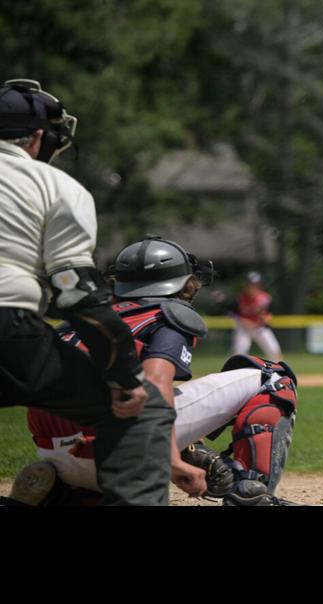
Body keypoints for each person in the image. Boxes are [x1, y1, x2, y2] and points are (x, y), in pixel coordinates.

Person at [8, 235, 299, 507]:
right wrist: (172, 458)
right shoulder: (164, 314)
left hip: (56, 453)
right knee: (272, 376)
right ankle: (251, 493)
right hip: (119, 450)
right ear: (186, 282)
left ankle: (68, 491)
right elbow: (154, 384)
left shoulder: (78, 320)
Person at [0, 78, 174, 505]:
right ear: (39, 135)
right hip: (8, 327)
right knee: (140, 408)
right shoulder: (55, 184)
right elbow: (74, 290)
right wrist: (124, 376)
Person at [230, 271, 283, 361]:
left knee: (273, 350)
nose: (253, 287)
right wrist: (242, 320)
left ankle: (279, 372)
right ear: (246, 285)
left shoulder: (265, 298)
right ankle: (234, 371)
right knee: (238, 352)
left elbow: (270, 313)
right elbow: (232, 313)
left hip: (260, 328)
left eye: (255, 284)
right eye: (251, 284)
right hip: (244, 328)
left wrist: (268, 318)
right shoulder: (240, 298)